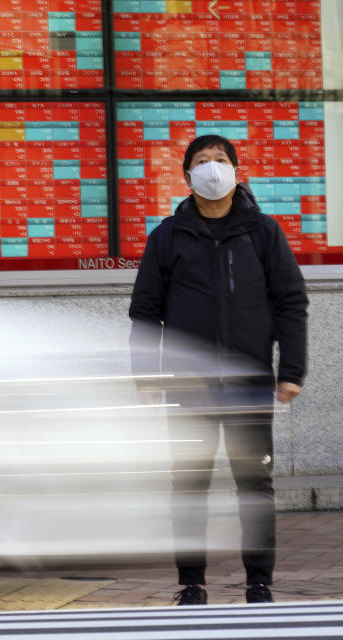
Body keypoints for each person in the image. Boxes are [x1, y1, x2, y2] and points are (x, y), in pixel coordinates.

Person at [129, 135, 309, 605]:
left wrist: (290, 368)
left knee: (255, 483)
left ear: (236, 170)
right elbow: (146, 312)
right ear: (186, 176)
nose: (212, 169)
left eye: (221, 160)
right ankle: (191, 581)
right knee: (189, 484)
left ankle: (259, 581)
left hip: (249, 381)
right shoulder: (167, 236)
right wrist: (146, 375)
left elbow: (291, 301)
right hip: (189, 385)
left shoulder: (263, 232)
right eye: (202, 162)